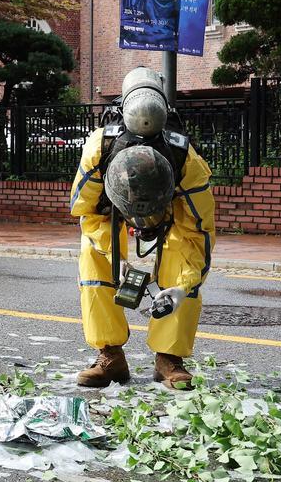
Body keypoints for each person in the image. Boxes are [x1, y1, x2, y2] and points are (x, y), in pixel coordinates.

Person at [68, 67, 215, 390]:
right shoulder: (99, 149)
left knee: (181, 257)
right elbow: (85, 212)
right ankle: (109, 354)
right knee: (92, 257)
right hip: (110, 214)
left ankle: (169, 358)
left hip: (171, 214)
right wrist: (116, 256)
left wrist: (183, 287)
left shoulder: (185, 160)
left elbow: (199, 233)